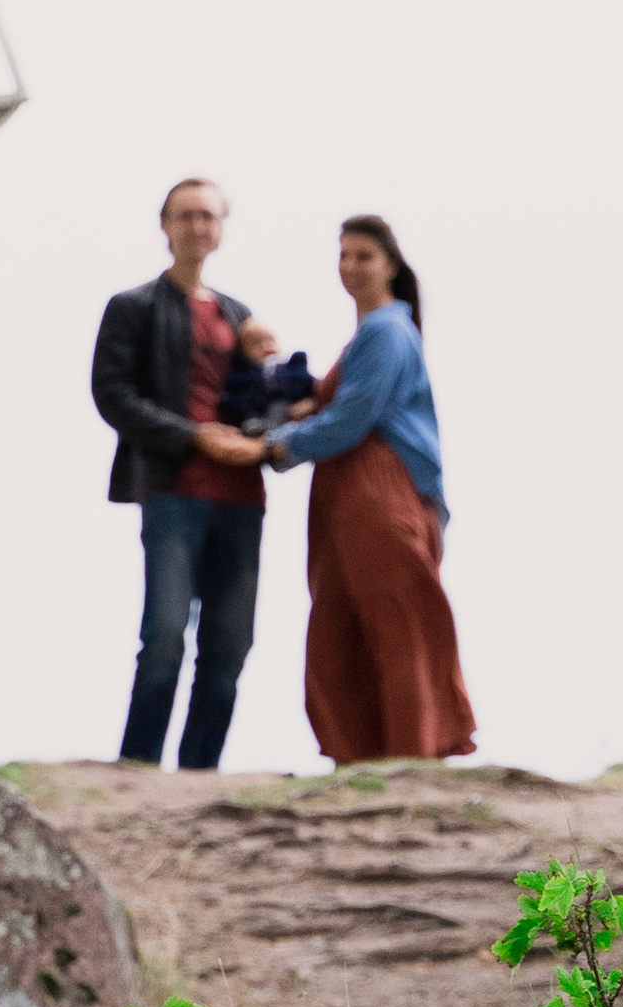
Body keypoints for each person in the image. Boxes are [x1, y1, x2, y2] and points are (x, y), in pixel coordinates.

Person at [263, 213, 476, 766]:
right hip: (346, 491)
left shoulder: (386, 330)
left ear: (390, 265)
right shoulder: (371, 333)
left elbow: (353, 419)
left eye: (364, 256)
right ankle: (360, 760)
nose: (350, 267)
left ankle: (411, 757)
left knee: (394, 623)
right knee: (340, 627)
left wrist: (275, 447)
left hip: (377, 489)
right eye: (344, 255)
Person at [91, 176, 287, 770]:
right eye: (186, 215)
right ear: (164, 224)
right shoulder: (132, 307)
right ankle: (139, 769)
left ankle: (200, 776)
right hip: (172, 491)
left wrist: (267, 413)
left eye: (208, 216)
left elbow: (258, 401)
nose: (198, 227)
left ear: (221, 229)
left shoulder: (239, 315)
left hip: (242, 498)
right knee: (165, 636)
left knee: (229, 644)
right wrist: (192, 435)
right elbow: (112, 393)